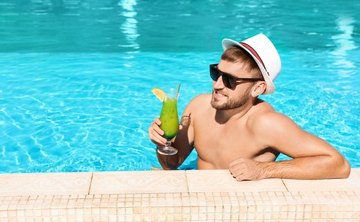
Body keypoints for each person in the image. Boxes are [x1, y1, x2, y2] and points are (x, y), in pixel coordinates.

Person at [148, 33, 351, 181]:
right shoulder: (199, 107)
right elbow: (171, 164)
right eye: (216, 73)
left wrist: (264, 170)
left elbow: (338, 164)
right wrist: (162, 144)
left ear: (258, 88)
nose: (217, 84)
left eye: (229, 80)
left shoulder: (266, 124)